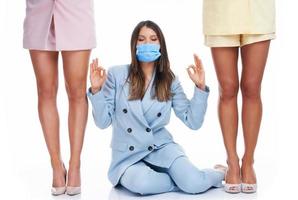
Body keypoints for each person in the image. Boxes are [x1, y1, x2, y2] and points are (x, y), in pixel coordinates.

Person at [88, 20, 226, 195]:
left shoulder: (170, 80)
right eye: (141, 39)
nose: (147, 43)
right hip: (128, 156)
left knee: (194, 184)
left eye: (153, 39)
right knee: (144, 184)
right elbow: (102, 122)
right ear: (134, 44)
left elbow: (193, 122)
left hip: (161, 147)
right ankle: (181, 181)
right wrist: (96, 90)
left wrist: (200, 88)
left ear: (161, 45)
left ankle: (220, 172)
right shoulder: (116, 74)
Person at [23, 0, 96, 196]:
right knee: (45, 90)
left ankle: (74, 166)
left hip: (76, 9)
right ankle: (56, 166)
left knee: (76, 91)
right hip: (39, 10)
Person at [203, 0, 276, 193]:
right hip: (220, 10)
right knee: (227, 88)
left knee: (252, 87)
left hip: (258, 10)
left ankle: (249, 161)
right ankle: (232, 162)